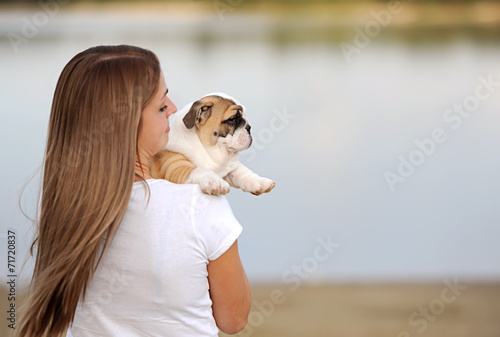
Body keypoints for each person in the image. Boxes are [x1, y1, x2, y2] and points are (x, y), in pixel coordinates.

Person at [18, 45, 251, 337]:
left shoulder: (65, 209)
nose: (175, 109)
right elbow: (235, 319)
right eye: (160, 105)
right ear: (124, 123)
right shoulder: (199, 204)